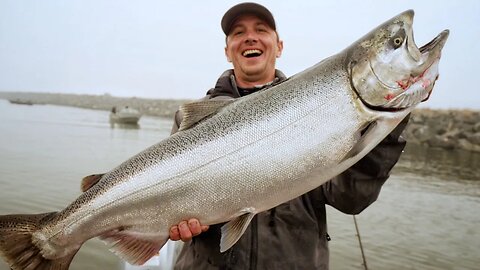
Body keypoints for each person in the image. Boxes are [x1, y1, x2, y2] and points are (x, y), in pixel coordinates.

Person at [168, 2, 410, 269]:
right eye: (238, 32)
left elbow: (351, 198)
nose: (250, 36)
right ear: (227, 51)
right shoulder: (192, 120)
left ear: (279, 46)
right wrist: (178, 218)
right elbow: (167, 201)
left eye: (261, 29)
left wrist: (387, 122)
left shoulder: (317, 110)